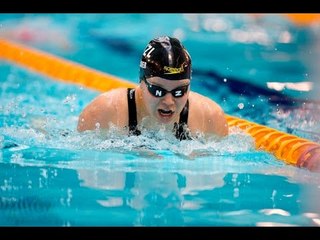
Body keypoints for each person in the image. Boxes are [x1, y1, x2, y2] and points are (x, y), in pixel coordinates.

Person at [77, 36, 228, 140]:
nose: (169, 101)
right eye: (158, 91)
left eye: (179, 91)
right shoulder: (104, 114)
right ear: (141, 82)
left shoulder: (210, 118)